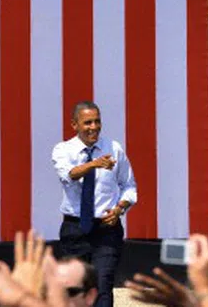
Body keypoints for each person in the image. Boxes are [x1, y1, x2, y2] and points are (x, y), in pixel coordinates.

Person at [51, 101, 137, 307]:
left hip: (107, 229)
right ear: (75, 125)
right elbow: (69, 175)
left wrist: (120, 208)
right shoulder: (63, 150)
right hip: (75, 229)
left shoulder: (114, 148)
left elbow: (129, 185)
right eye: (88, 122)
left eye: (97, 121)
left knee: (102, 285)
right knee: (74, 288)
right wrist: (94, 164)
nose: (94, 127)